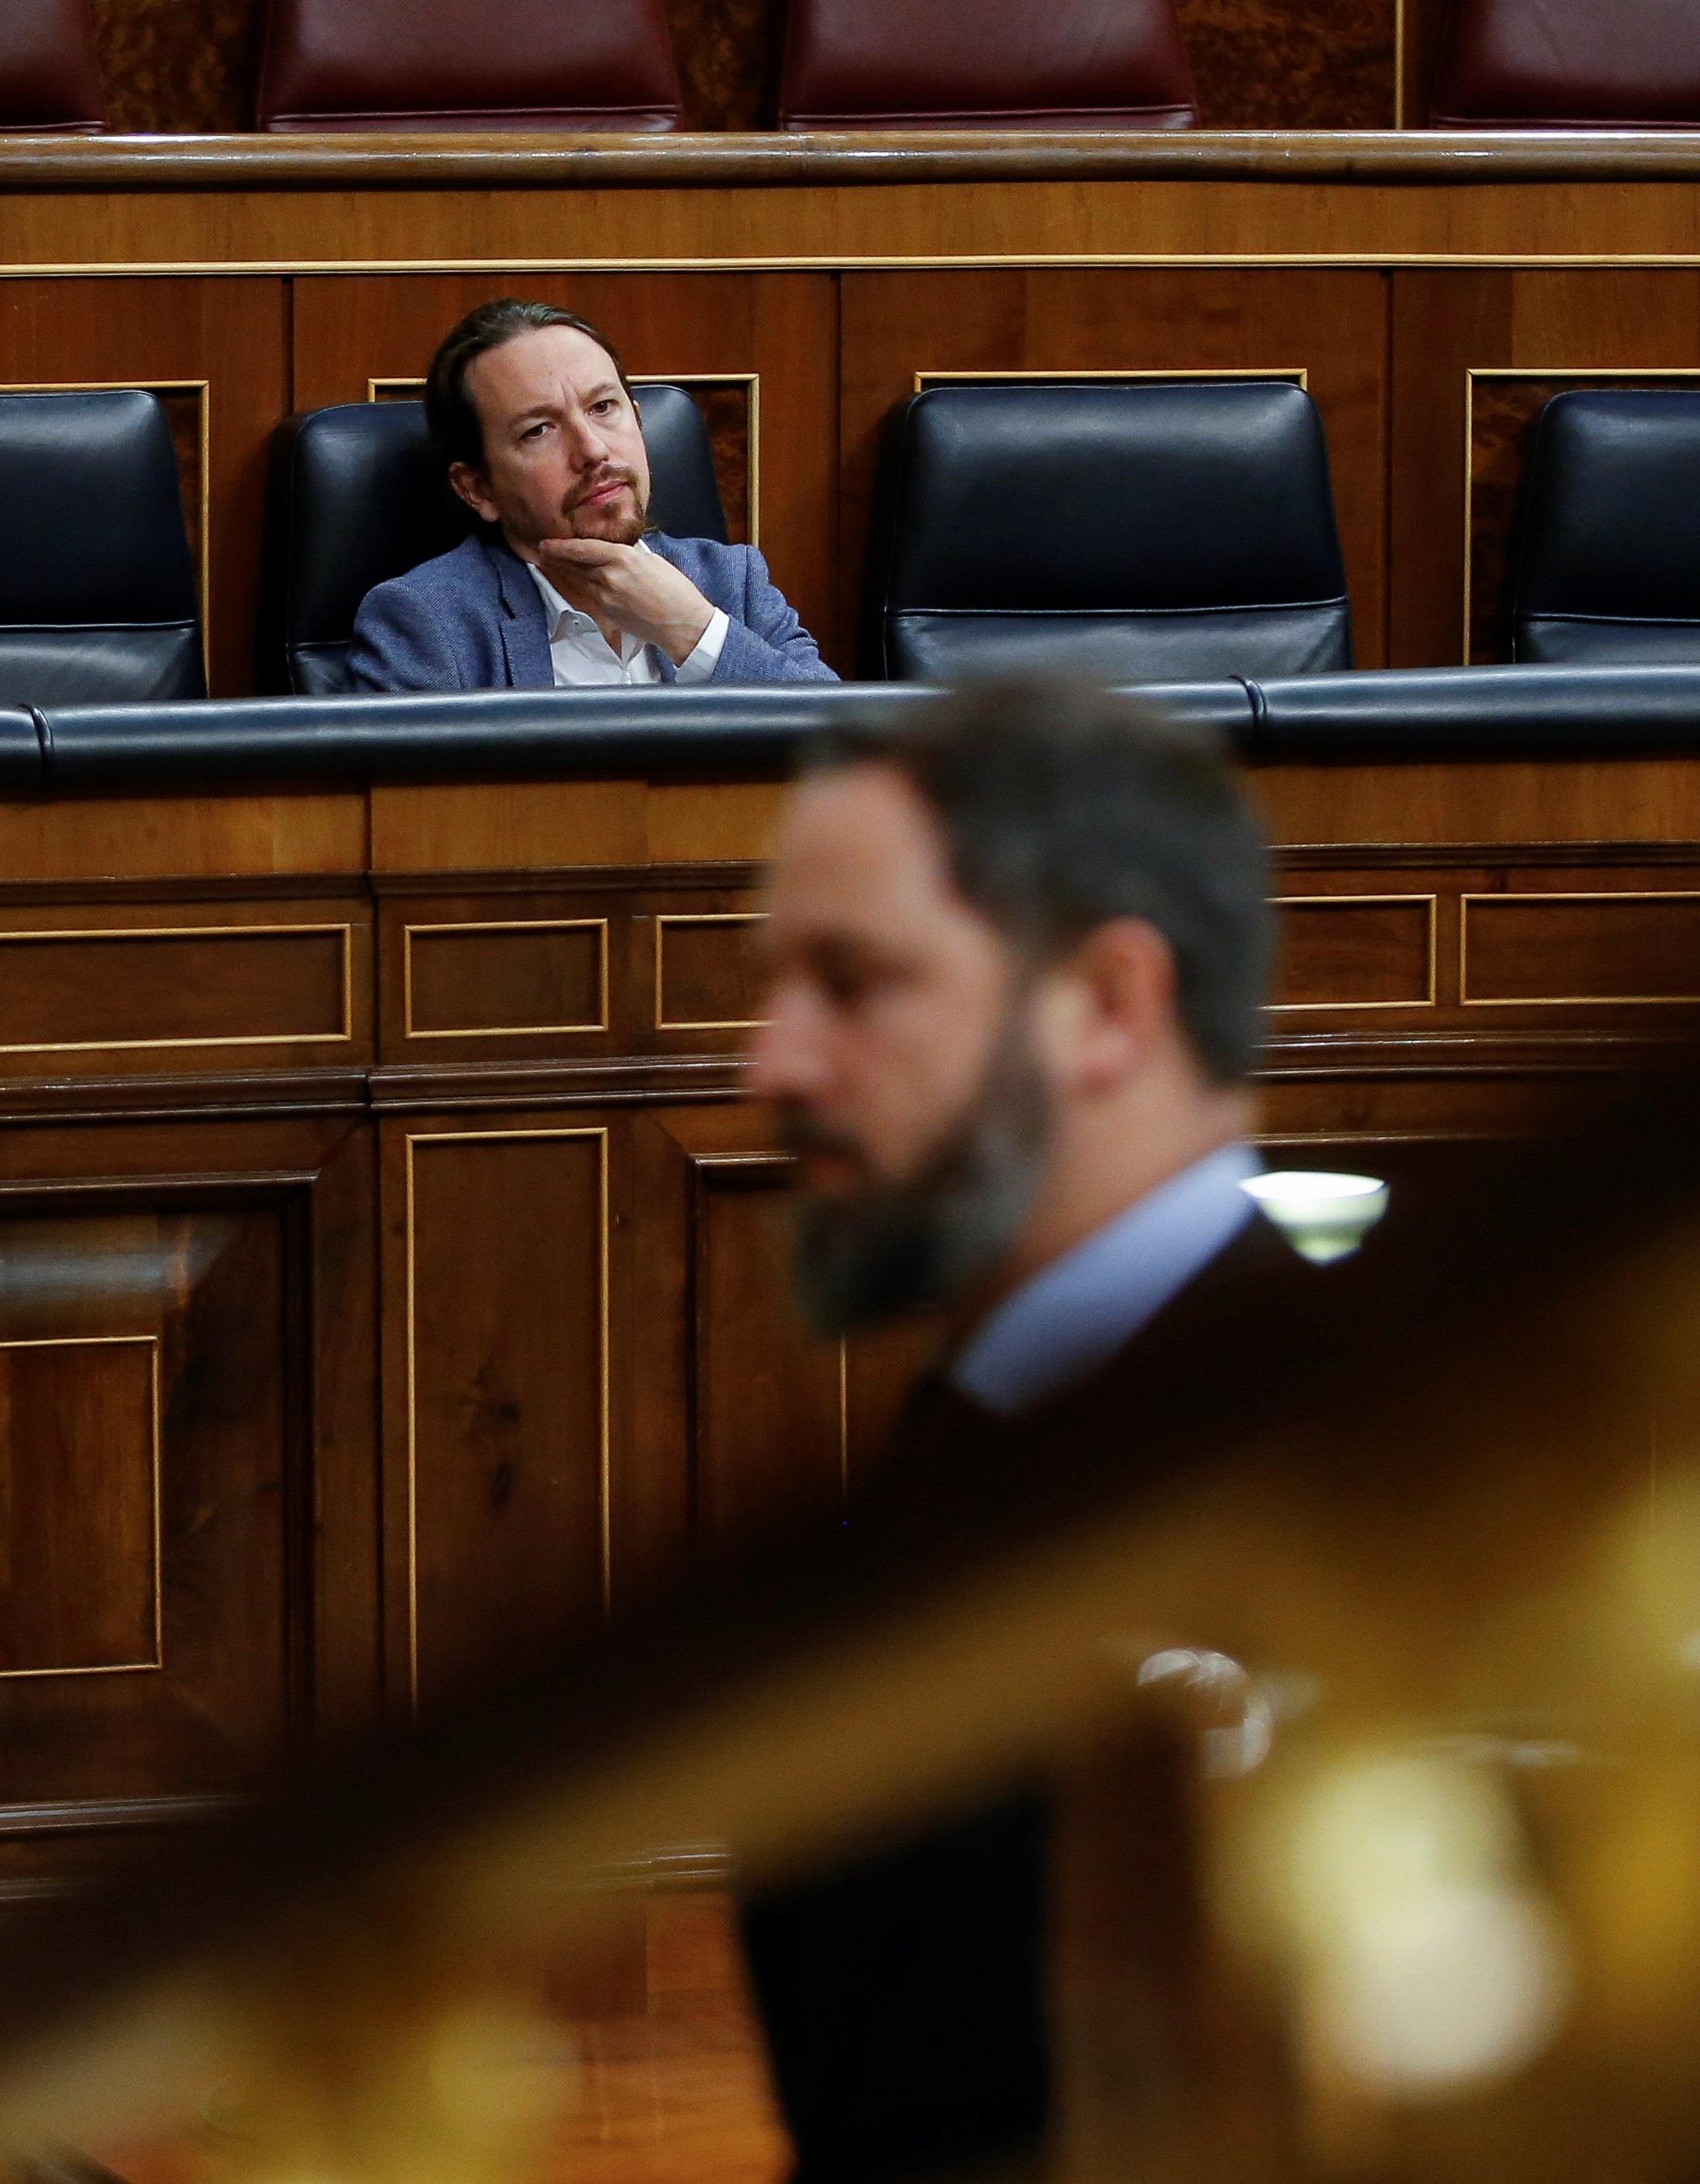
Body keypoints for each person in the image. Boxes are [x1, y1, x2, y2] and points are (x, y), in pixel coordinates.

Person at [732, 676, 1309, 2183]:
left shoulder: (1333, 1471)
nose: (770, 1068)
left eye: (853, 984)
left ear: (1106, 1007)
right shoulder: (979, 1458)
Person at [348, 298, 836, 693]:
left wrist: (691, 630)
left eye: (604, 407)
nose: (593, 449)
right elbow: (406, 813)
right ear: (478, 489)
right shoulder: (429, 624)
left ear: (640, 422)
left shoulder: (732, 586)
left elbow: (848, 759)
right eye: (539, 430)